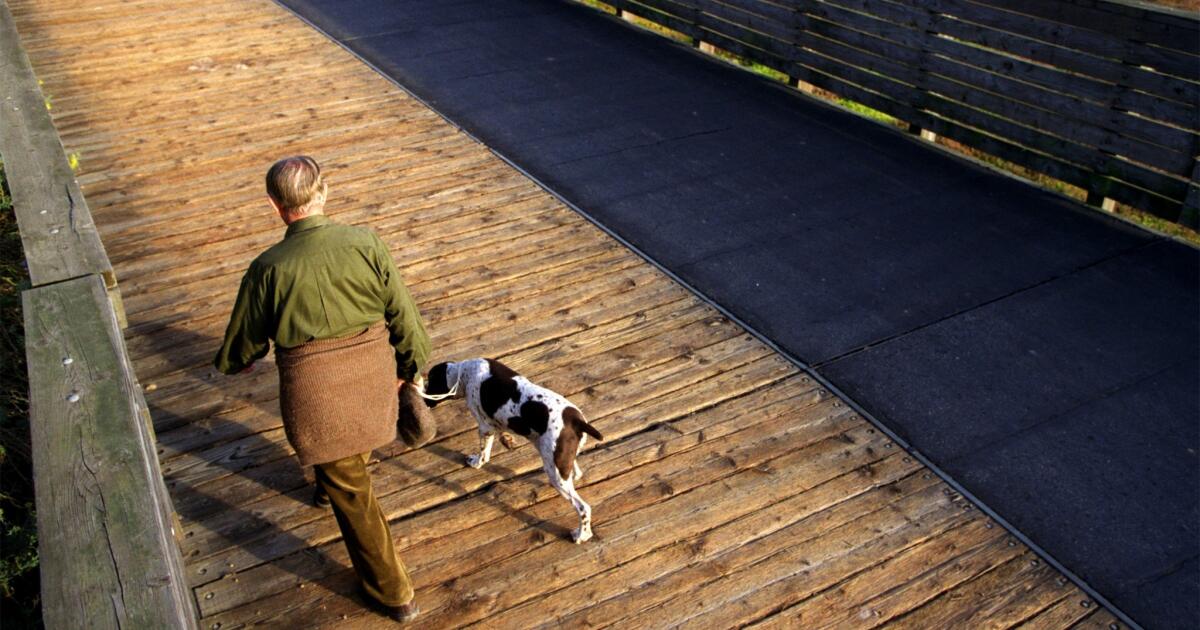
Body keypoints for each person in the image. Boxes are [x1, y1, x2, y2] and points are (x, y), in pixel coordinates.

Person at [214, 156, 429, 623]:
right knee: (351, 453)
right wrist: (412, 369)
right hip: (376, 383)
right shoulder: (366, 243)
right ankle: (325, 489)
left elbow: (241, 345)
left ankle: (394, 592)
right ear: (324, 193)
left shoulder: (267, 267)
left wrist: (240, 361)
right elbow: (404, 317)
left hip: (318, 400)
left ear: (275, 207)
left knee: (354, 494)